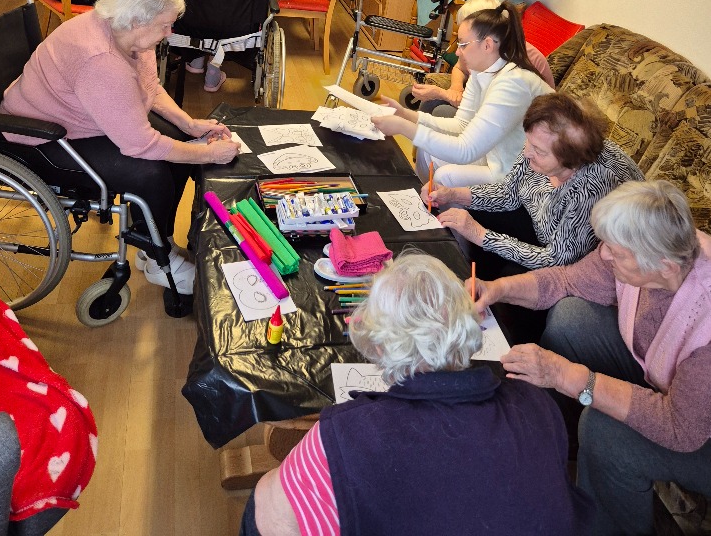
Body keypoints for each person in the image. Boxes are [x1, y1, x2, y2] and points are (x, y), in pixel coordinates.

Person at [241, 252, 592, 536]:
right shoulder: (537, 404)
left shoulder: (345, 436)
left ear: (381, 347)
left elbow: (271, 519)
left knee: (264, 501)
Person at [473, 181, 711, 536]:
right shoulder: (651, 251)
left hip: (698, 430)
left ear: (663, 266)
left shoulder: (705, 320)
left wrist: (568, 376)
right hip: (662, 376)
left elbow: (681, 429)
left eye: (616, 252)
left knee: (603, 431)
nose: (605, 256)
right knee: (571, 320)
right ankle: (558, 451)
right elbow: (566, 281)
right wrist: (497, 289)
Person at [0, 0, 240, 295]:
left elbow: (150, 87)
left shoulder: (127, 33)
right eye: (165, 25)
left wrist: (190, 124)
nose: (169, 32)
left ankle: (156, 242)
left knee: (182, 141)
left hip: (79, 114)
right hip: (39, 135)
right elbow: (141, 145)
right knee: (150, 173)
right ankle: (158, 259)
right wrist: (209, 154)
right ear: (137, 19)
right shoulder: (101, 59)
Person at [429, 93, 645, 276]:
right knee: (472, 219)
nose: (526, 153)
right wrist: (452, 194)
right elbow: (508, 193)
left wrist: (479, 234)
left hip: (569, 257)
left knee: (504, 271)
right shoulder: (541, 143)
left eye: (538, 151)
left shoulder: (590, 188)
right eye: (528, 142)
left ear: (570, 161)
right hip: (540, 223)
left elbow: (557, 260)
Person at [372, 1, 552, 187]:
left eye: (463, 45)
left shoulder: (513, 83)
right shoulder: (482, 70)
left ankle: (432, 202)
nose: (457, 52)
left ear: (487, 45)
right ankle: (422, 197)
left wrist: (403, 127)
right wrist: (405, 114)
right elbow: (461, 125)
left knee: (446, 175)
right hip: (493, 155)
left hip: (517, 172)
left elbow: (466, 150)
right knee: (428, 152)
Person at [412, 0, 556, 118]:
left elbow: (488, 111)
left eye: (465, 39)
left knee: (442, 111)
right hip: (490, 110)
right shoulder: (480, 58)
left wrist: (442, 94)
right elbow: (460, 68)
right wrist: (455, 88)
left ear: (487, 39)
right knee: (431, 104)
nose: (457, 52)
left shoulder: (516, 68)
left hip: (519, 120)